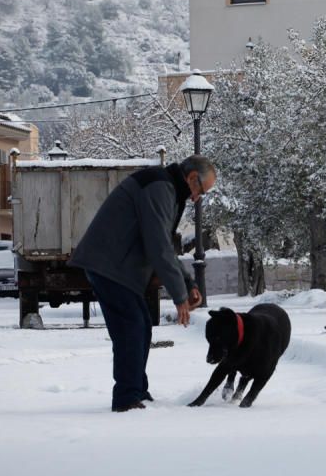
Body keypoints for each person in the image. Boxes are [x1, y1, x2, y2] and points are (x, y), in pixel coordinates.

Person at [70, 155, 217, 411]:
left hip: (117, 268)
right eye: (200, 191)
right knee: (132, 327)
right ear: (192, 178)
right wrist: (179, 295)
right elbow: (157, 245)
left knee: (141, 326)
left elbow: (165, 247)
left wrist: (187, 283)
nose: (197, 198)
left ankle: (137, 391)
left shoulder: (167, 188)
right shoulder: (160, 187)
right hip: (109, 265)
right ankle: (127, 399)